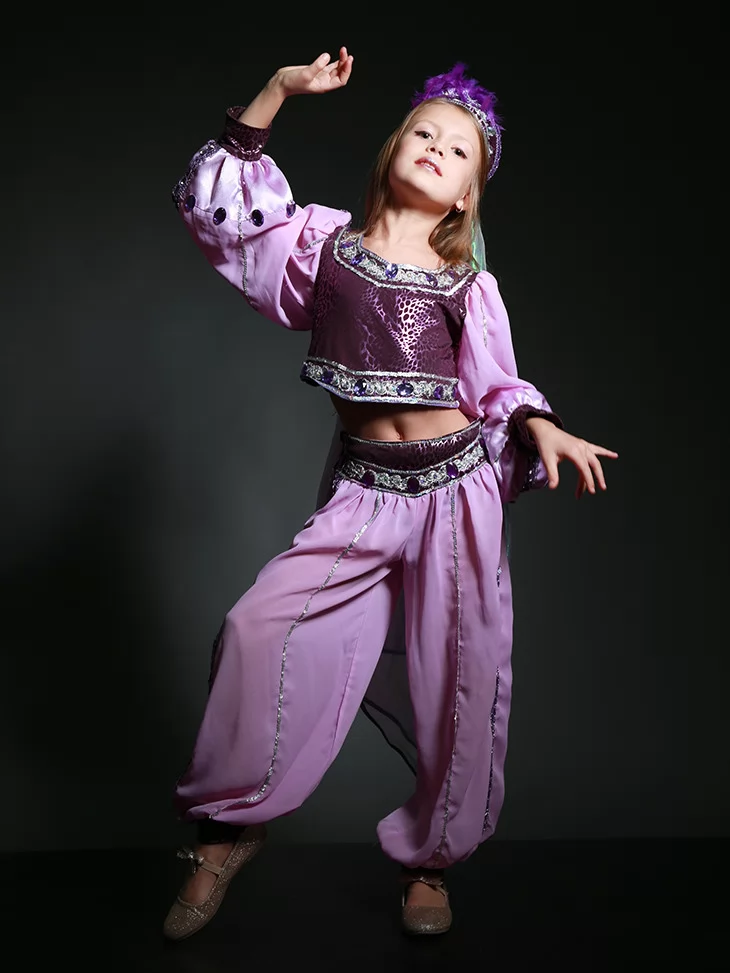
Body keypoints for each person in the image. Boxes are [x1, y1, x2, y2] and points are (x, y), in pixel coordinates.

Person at [164, 48, 618, 940]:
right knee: (258, 628)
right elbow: (224, 213)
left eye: (458, 148)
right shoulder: (321, 246)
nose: (437, 147)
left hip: (456, 492)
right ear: (392, 149)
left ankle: (431, 858)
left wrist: (542, 426)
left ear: (467, 196)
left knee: (460, 676)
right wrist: (278, 91)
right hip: (365, 492)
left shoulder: (468, 285)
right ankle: (229, 827)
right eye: (424, 132)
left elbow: (498, 387)